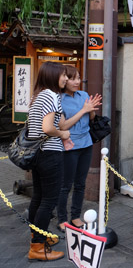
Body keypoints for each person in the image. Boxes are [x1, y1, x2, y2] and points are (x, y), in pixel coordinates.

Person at [26, 62, 72, 261]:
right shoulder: (51, 96)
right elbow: (48, 128)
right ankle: (37, 247)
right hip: (50, 153)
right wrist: (62, 133)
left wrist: (64, 124)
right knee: (49, 200)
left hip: (37, 154)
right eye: (63, 75)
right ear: (54, 76)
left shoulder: (38, 96)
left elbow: (59, 122)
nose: (66, 79)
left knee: (38, 197)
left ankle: (38, 236)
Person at [56, 66, 102, 232]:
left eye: (78, 78)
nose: (77, 82)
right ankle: (62, 218)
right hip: (69, 146)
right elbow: (63, 125)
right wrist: (84, 109)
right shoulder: (58, 99)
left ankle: (75, 216)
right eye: (73, 78)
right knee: (65, 185)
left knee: (80, 184)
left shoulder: (83, 95)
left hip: (86, 143)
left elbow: (91, 118)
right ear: (64, 80)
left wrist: (91, 111)